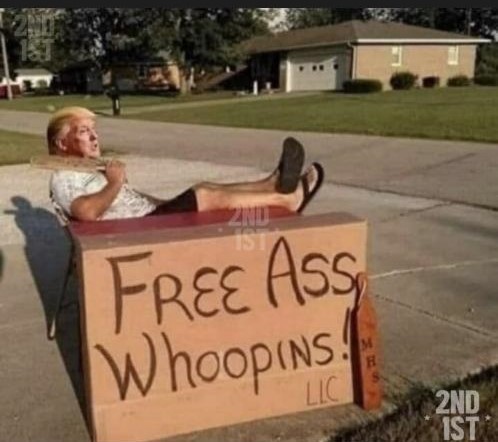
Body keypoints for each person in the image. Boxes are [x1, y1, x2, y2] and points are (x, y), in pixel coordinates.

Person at [47, 107, 324, 222]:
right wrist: (116, 182)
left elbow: (121, 202)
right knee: (204, 194)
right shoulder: (63, 176)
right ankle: (286, 200)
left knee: (205, 188)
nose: (94, 137)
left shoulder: (86, 170)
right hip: (136, 231)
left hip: (147, 218)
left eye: (94, 130)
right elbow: (86, 212)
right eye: (84, 132)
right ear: (62, 143)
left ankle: (271, 184)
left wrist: (162, 202)